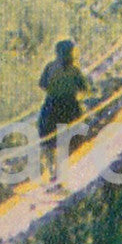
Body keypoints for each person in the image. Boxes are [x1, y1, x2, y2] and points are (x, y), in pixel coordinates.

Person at [38, 39, 90, 176]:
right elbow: (84, 88)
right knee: (65, 139)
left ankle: (53, 171)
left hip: (52, 105)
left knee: (48, 138)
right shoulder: (74, 70)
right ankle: (58, 170)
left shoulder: (50, 67)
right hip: (69, 106)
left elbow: (42, 85)